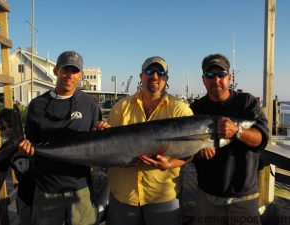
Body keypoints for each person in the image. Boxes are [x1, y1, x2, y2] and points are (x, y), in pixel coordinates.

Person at [105, 56, 194, 225]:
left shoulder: (180, 110)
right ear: (141, 76)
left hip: (163, 196)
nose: (155, 76)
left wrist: (168, 165)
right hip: (123, 195)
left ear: (166, 78)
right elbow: (108, 146)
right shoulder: (121, 107)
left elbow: (190, 153)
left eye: (160, 72)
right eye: (149, 71)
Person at [18, 51, 100, 225]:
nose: (70, 75)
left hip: (80, 187)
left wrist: (103, 129)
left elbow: (97, 137)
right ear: (56, 71)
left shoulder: (90, 103)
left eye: (75, 71)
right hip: (47, 188)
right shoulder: (37, 105)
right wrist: (26, 147)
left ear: (81, 75)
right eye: (65, 69)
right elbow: (31, 141)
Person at [190, 54, 269, 225]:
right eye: (210, 75)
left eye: (221, 74)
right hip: (207, 195)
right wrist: (198, 154)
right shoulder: (195, 108)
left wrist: (237, 131)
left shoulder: (247, 102)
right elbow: (188, 150)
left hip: (243, 198)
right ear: (203, 80)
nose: (216, 79)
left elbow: (262, 139)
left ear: (229, 77)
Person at [0, 108, 34, 225]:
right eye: (3, 128)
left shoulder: (31, 141)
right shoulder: (5, 150)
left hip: (41, 191)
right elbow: (2, 173)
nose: (7, 130)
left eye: (10, 125)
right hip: (24, 195)